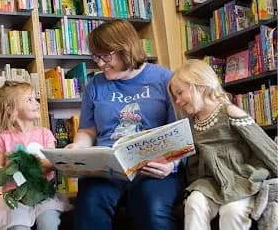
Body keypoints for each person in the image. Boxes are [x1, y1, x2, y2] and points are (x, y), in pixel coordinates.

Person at [64, 20, 183, 230]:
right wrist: (78, 149)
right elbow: (87, 130)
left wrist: (171, 164)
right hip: (108, 168)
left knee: (151, 206)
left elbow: (180, 130)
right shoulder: (95, 86)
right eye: (96, 56)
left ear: (126, 49)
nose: (100, 64)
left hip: (153, 168)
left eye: (106, 56)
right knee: (91, 203)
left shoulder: (165, 79)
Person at [168, 59, 278, 230]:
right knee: (194, 203)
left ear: (201, 85)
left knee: (232, 210)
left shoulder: (230, 112)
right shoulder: (190, 124)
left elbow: (266, 148)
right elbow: (192, 162)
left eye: (180, 93)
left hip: (240, 178)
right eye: (175, 96)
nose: (178, 100)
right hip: (209, 183)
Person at [0, 81, 71, 230]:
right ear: (11, 109)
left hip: (43, 196)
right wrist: (11, 168)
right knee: (17, 227)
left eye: (35, 99)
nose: (36, 103)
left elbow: (52, 163)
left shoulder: (45, 134)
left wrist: (31, 165)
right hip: (16, 198)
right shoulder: (3, 138)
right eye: (29, 100)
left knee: (49, 224)